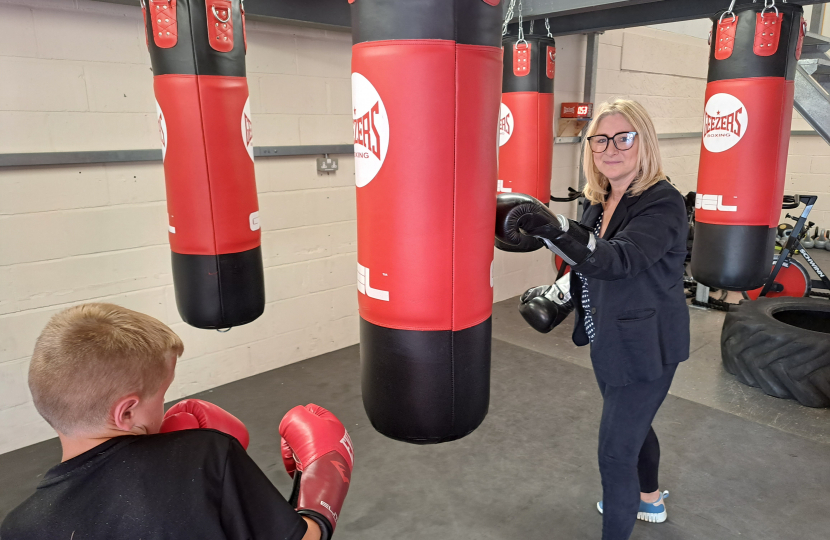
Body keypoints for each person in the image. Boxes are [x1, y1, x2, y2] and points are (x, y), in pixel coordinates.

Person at [496, 99, 690, 540]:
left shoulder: (663, 203)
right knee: (634, 424)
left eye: (624, 137)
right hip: (608, 335)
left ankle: (622, 514)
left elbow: (621, 259)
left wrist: (553, 225)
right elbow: (583, 259)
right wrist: (542, 255)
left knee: (615, 454)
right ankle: (649, 498)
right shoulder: (598, 200)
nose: (611, 148)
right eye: (600, 139)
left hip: (646, 345)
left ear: (645, 142)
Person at [0, 303, 353, 540]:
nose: (166, 404)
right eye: (162, 393)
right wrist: (325, 472)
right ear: (126, 413)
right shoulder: (204, 455)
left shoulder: (18, 527)